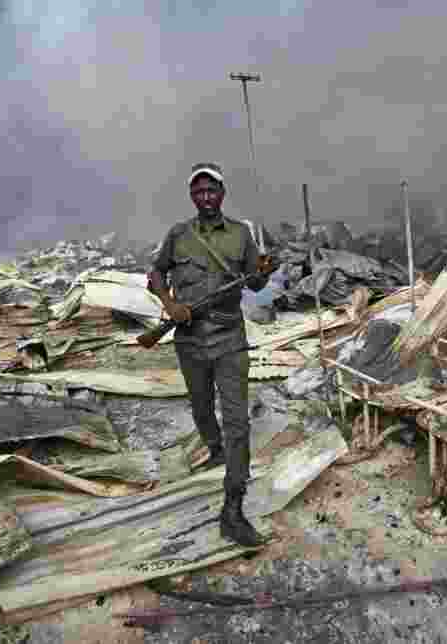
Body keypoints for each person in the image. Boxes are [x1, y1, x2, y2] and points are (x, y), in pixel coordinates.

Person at [147, 162, 278, 548]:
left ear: (222, 193)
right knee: (202, 409)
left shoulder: (241, 235)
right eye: (199, 191)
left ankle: (233, 509)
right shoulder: (178, 234)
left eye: (212, 190)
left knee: (237, 421)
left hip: (229, 340)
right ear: (192, 195)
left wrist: (264, 271)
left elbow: (254, 284)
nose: (206, 197)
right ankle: (216, 450)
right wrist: (169, 304)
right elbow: (155, 273)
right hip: (188, 341)